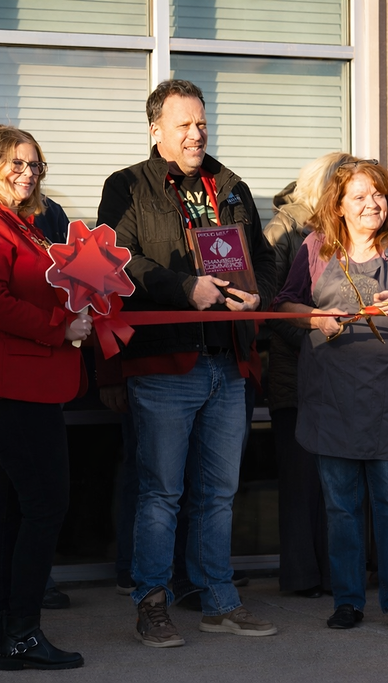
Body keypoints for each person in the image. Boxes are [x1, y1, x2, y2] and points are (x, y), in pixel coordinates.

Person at [96, 79, 278, 648]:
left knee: (219, 491)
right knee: (161, 493)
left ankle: (218, 601)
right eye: (184, 125)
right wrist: (183, 288)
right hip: (165, 363)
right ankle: (152, 604)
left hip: (229, 364)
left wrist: (258, 295)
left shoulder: (231, 184)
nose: (197, 133)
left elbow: (265, 260)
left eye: (202, 122)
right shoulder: (126, 186)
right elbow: (118, 262)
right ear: (156, 131)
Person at [0, 126, 89, 670]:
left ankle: (1, 633)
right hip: (6, 384)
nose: (27, 172)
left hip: (15, 382)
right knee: (45, 504)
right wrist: (60, 328)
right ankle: (22, 633)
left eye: (34, 163)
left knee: (7, 509)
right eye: (15, 162)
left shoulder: (19, 225)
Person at [275, 158, 388, 631]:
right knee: (341, 508)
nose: (372, 203)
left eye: (378, 194)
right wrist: (313, 318)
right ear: (338, 205)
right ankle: (347, 600)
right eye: (360, 196)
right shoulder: (314, 248)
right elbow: (284, 302)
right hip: (331, 396)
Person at [264, 151, 353, 598]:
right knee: (302, 483)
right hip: (296, 371)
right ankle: (301, 577)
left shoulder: (346, 229)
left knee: (336, 480)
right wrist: (319, 338)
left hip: (340, 375)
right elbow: (271, 305)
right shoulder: (285, 227)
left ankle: (339, 574)